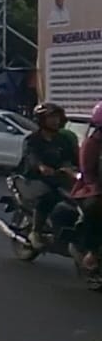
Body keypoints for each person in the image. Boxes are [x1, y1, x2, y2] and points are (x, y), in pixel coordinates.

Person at [17, 103, 79, 245]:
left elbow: (74, 158)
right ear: (41, 120)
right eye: (51, 117)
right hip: (35, 178)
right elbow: (31, 156)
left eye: (57, 117)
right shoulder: (33, 139)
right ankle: (36, 231)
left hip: (59, 177)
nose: (55, 121)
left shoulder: (63, 140)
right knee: (49, 197)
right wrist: (41, 166)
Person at [70, 103, 102, 269]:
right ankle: (92, 251)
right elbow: (88, 173)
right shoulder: (91, 145)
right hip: (91, 189)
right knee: (95, 208)